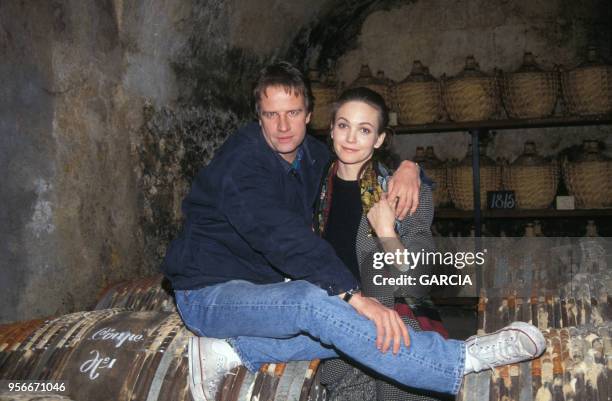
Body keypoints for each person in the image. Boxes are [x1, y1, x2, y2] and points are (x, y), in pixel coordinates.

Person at [161, 62, 546, 401]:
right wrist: (353, 295)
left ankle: (233, 352)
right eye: (270, 114)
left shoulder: (312, 157)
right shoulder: (243, 164)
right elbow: (279, 237)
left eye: (292, 112)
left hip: (259, 298)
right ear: (257, 116)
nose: (282, 126)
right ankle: (464, 358)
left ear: (309, 115)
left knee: (347, 333)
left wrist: (412, 168)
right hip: (210, 293)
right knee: (313, 301)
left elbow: (368, 166)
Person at [314, 87, 450, 401]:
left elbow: (417, 283)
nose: (350, 138)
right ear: (331, 129)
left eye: (364, 130)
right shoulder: (312, 189)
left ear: (379, 139)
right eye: (343, 125)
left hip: (393, 328)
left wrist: (387, 231)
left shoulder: (405, 195)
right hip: (336, 330)